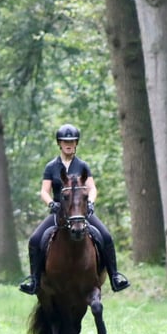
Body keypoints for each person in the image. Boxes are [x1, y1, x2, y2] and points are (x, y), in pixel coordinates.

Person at [19, 123, 130, 295]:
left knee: (106, 236)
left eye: (72, 141)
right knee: (35, 239)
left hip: (81, 212)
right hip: (60, 212)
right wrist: (51, 204)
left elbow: (92, 187)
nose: (68, 144)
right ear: (59, 143)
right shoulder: (51, 167)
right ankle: (34, 280)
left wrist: (91, 202)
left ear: (76, 143)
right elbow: (44, 191)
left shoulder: (83, 165)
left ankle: (115, 277)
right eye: (65, 141)